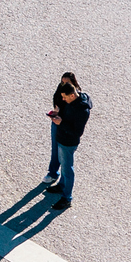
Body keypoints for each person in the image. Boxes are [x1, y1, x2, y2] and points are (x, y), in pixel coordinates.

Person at [42, 72, 90, 211]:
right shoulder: (72, 101)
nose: (62, 99)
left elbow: (77, 132)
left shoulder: (81, 110)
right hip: (62, 137)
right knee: (63, 165)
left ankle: (67, 198)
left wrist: (61, 123)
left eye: (64, 97)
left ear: (72, 95)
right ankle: (62, 185)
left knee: (68, 169)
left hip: (68, 142)